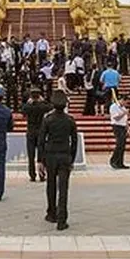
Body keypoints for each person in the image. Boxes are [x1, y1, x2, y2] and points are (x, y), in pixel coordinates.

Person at [39, 91, 78, 230]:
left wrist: (40, 160)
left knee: (51, 185)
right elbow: (74, 140)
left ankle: (51, 212)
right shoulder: (70, 120)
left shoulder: (47, 119)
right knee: (63, 188)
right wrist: (72, 158)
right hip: (65, 154)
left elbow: (41, 140)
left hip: (50, 155)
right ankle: (62, 219)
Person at [21, 89, 53, 182]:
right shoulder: (42, 106)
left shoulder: (28, 107)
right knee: (41, 155)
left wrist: (28, 103)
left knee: (31, 156)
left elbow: (22, 110)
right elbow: (50, 107)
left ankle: (32, 175)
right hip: (40, 132)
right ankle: (41, 174)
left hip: (30, 132)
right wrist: (42, 101)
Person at [109, 90, 130, 170]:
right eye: (126, 102)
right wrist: (124, 113)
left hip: (123, 126)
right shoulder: (114, 107)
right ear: (122, 100)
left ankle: (120, 163)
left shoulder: (123, 108)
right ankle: (113, 161)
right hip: (116, 126)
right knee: (119, 144)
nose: (126, 104)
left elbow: (126, 120)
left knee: (123, 145)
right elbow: (116, 118)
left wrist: (128, 129)